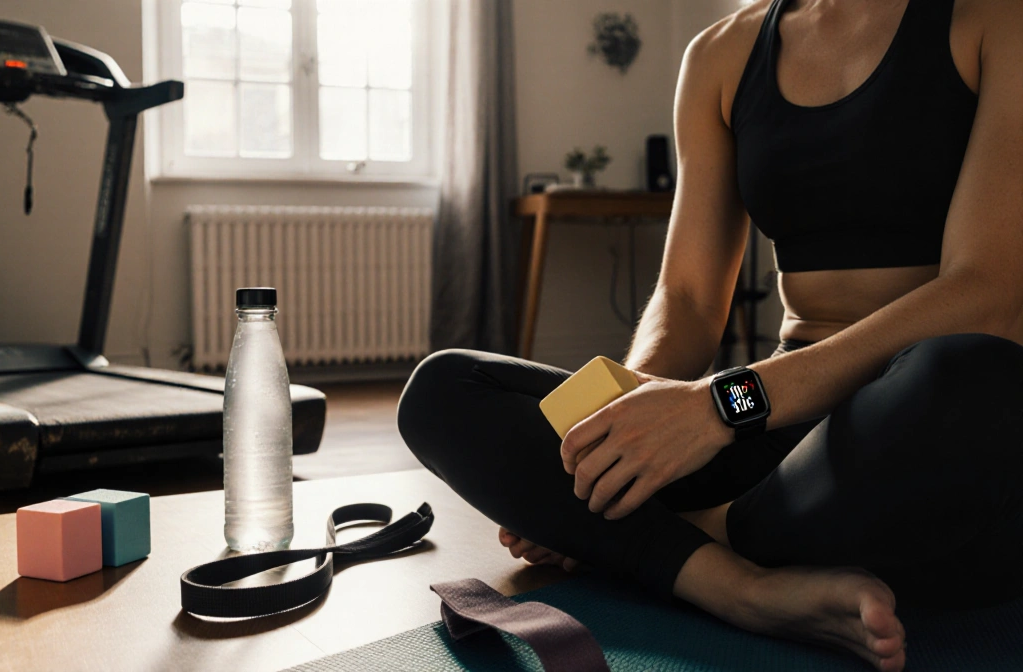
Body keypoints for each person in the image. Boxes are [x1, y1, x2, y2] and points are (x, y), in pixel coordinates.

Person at [396, 1, 1023, 670]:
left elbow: (986, 296)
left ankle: (665, 539)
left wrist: (720, 406)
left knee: (974, 379)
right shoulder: (722, 54)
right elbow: (689, 298)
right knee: (446, 388)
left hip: (913, 422)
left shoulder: (996, 20)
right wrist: (612, 435)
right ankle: (739, 588)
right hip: (781, 431)